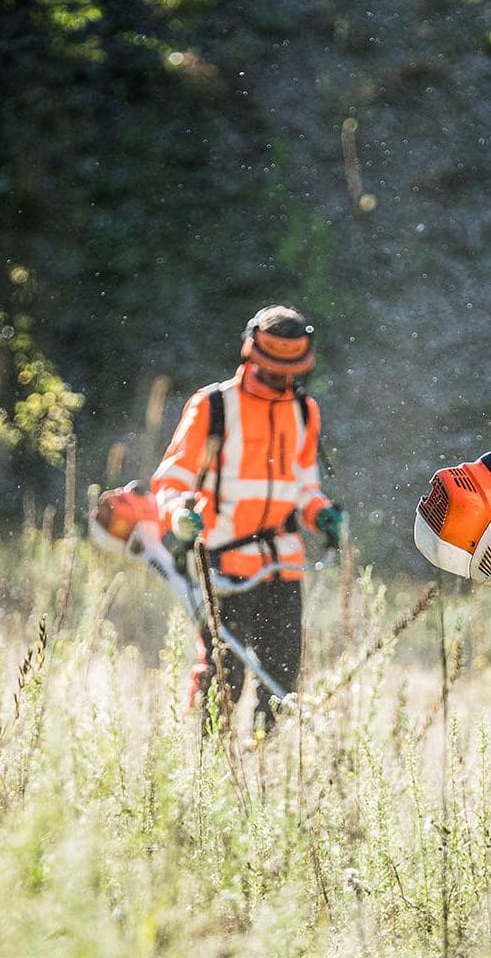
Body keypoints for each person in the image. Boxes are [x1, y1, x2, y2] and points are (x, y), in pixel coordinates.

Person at [151, 305, 344, 733]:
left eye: (290, 369)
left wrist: (322, 515)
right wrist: (179, 515)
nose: (282, 377)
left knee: (282, 676)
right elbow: (170, 481)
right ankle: (207, 762)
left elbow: (305, 487)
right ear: (251, 354)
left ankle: (264, 763)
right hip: (224, 562)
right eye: (275, 367)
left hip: (283, 565)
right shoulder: (214, 406)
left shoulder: (305, 411)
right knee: (224, 673)